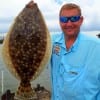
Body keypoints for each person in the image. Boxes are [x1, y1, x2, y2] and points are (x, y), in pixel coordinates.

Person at [50, 3, 100, 100]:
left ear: (81, 20)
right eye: (64, 19)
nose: (69, 24)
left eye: (74, 19)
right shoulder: (51, 42)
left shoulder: (97, 47)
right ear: (59, 21)